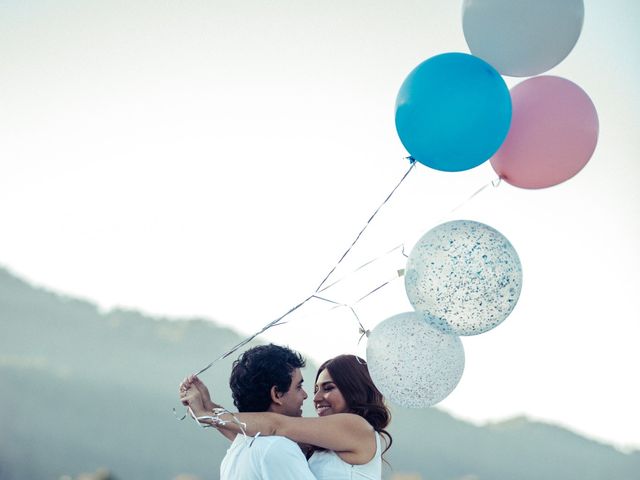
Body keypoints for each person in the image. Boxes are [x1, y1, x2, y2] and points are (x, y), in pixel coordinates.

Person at [181, 353, 392, 480]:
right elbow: (258, 436)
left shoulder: (356, 426)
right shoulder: (331, 439)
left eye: (328, 388)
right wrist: (209, 407)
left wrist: (207, 416)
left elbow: (275, 426)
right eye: (315, 388)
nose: (316, 397)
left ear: (353, 389)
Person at [180, 344, 317, 480]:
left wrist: (208, 407)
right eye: (298, 387)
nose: (305, 395)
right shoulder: (277, 447)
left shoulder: (240, 445)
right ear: (276, 394)